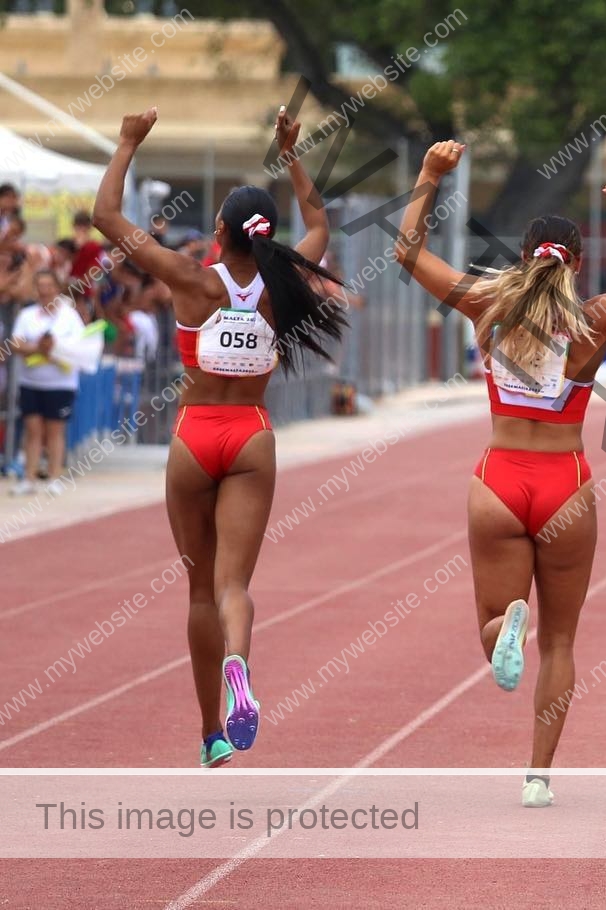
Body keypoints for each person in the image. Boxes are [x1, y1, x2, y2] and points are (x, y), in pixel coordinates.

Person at [394, 141, 606, 807]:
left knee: (494, 619)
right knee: (560, 640)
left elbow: (408, 254)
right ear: (578, 264)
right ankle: (537, 776)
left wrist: (428, 178)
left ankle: (505, 627)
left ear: (523, 255)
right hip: (564, 482)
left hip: (498, 479)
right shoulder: (593, 320)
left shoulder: (487, 304)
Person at [93, 105, 347, 768]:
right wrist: (291, 153)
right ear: (265, 236)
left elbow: (108, 221)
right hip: (251, 437)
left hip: (193, 438)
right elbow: (319, 223)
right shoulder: (281, 283)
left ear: (218, 231)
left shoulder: (191, 279)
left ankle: (210, 732)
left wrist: (126, 144)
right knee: (235, 587)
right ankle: (240, 664)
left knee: (198, 590)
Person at [6, 270, 86, 495]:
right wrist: (38, 348)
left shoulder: (69, 316)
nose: (44, 290)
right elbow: (16, 344)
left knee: (54, 430)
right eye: (40, 285)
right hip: (30, 381)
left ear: (57, 288)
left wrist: (53, 350)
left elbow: (78, 346)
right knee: (32, 430)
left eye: (48, 285)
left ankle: (54, 477)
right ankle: (28, 478)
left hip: (60, 384)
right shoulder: (27, 315)